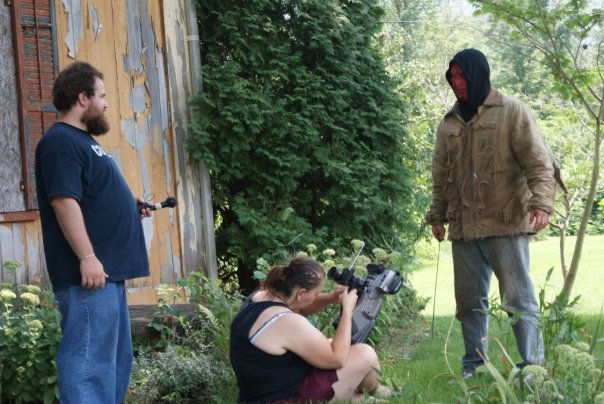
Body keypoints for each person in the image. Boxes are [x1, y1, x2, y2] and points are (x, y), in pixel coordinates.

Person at [425, 48, 561, 379]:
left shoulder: (512, 112)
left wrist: (542, 203)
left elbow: (538, 161)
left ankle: (533, 368)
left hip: (505, 224)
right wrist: (438, 215)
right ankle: (475, 366)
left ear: (478, 74)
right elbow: (441, 176)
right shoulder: (448, 124)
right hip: (464, 230)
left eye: (462, 76)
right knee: (468, 304)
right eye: (452, 77)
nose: (457, 83)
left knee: (519, 301)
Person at [35, 61, 151, 403]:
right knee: (88, 365)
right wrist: (87, 257)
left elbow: (90, 195)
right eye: (101, 96)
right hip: (89, 276)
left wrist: (127, 204)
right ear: (83, 98)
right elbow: (64, 202)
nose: (106, 103)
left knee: (113, 364)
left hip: (107, 275)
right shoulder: (60, 141)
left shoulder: (83, 143)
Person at [230, 256, 391, 402]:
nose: (318, 296)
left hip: (259, 394)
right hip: (285, 398)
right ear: (301, 293)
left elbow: (298, 306)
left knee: (332, 346)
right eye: (317, 293)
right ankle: (373, 391)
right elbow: (337, 358)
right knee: (364, 354)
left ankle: (368, 395)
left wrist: (330, 297)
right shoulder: (286, 321)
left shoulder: (260, 297)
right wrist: (348, 309)